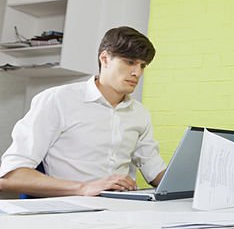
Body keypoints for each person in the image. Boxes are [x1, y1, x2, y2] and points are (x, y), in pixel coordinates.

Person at [0, 26, 165, 198]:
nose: (137, 72)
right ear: (105, 59)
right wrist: (84, 187)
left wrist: (191, 184)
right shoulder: (57, 100)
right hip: (68, 209)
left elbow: (154, 170)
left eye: (142, 65)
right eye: (130, 62)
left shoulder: (140, 113)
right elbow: (10, 175)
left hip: (121, 209)